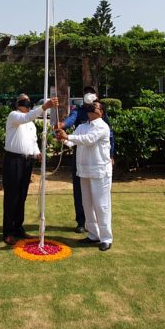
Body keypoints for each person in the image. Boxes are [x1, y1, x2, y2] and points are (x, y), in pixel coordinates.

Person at [55, 100, 113, 251]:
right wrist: (61, 136)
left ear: (101, 112)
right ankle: (93, 234)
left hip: (99, 171)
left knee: (101, 205)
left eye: (96, 107)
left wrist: (68, 137)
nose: (92, 108)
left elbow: (89, 140)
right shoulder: (82, 126)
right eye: (91, 106)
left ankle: (106, 238)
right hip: (84, 170)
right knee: (87, 204)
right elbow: (71, 142)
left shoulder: (102, 126)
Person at [2, 94, 58, 244]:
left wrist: (37, 152)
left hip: (27, 161)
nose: (26, 104)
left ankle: (18, 227)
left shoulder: (31, 124)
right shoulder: (14, 116)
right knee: (12, 196)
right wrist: (45, 107)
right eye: (23, 101)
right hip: (13, 160)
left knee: (22, 196)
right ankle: (8, 231)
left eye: (28, 101)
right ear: (18, 103)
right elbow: (26, 118)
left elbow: (33, 141)